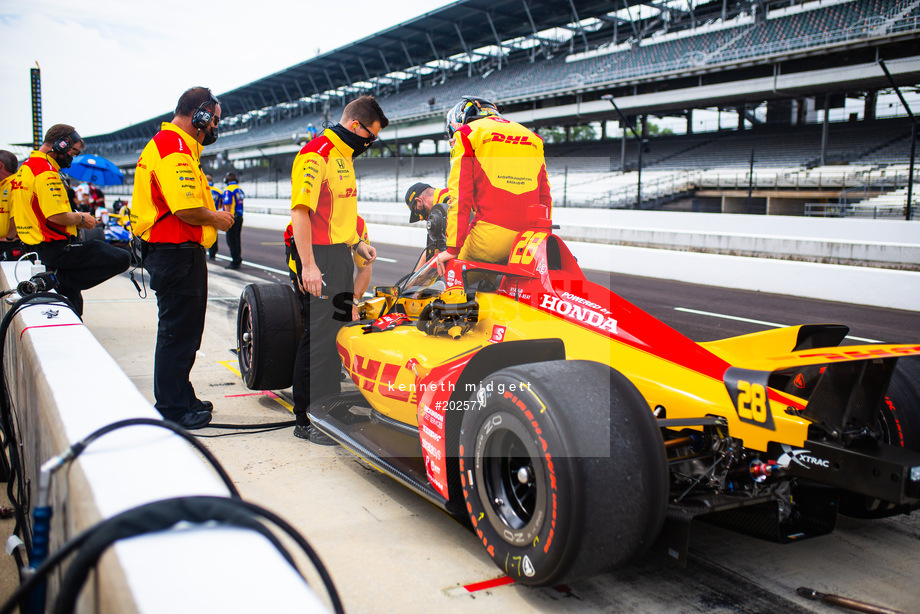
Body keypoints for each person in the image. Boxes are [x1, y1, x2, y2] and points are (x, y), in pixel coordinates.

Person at [129, 87, 234, 430]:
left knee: (186, 334)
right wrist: (217, 219)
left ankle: (181, 394)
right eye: (214, 119)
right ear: (200, 115)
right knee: (177, 334)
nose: (216, 126)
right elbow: (186, 208)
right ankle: (172, 409)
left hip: (176, 255)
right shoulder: (173, 148)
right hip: (175, 254)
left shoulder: (174, 146)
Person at [289, 94, 386, 442]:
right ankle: (307, 418)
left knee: (336, 333)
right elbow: (301, 212)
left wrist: (358, 244)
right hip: (318, 258)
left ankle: (329, 404)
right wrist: (309, 266)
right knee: (317, 339)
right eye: (369, 136)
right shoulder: (316, 153)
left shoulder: (345, 156)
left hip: (341, 254)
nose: (370, 142)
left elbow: (336, 217)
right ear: (355, 126)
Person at [11, 125, 130, 315]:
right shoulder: (45, 171)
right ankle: (57, 279)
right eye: (73, 152)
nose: (72, 157)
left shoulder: (26, 168)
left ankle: (57, 279)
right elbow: (56, 215)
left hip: (34, 249)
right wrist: (83, 218)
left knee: (71, 306)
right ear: (61, 144)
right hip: (54, 249)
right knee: (122, 258)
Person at [434, 96, 552, 275]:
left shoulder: (466, 134)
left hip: (489, 239)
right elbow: (545, 197)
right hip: (529, 240)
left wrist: (452, 249)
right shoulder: (533, 137)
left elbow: (459, 197)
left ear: (458, 120)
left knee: (449, 270)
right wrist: (543, 236)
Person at [284, 214, 372, 320]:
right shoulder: (302, 222)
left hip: (334, 258)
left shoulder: (358, 224)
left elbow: (364, 269)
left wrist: (353, 303)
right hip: (301, 249)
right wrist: (301, 276)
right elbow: (300, 275)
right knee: (307, 308)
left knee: (341, 309)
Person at [404, 181, 450, 270]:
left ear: (419, 201)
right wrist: (415, 278)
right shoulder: (441, 206)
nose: (421, 218)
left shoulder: (448, 202)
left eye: (417, 213)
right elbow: (432, 247)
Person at [0, 150, 22, 260]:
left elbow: (18, 214)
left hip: (9, 245)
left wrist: (9, 238)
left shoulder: (15, 184)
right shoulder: (4, 185)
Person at [221, 172, 244, 269]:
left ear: (226, 180)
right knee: (237, 239)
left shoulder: (228, 190)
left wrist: (226, 218)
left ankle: (235, 261)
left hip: (232, 217)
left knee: (231, 240)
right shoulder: (239, 189)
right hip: (240, 216)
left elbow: (227, 205)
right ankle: (238, 259)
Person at [206, 174, 222, 261]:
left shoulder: (202, 189)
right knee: (214, 234)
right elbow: (221, 204)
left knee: (203, 233)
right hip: (214, 214)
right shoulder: (218, 191)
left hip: (204, 214)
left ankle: (203, 252)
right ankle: (213, 254)